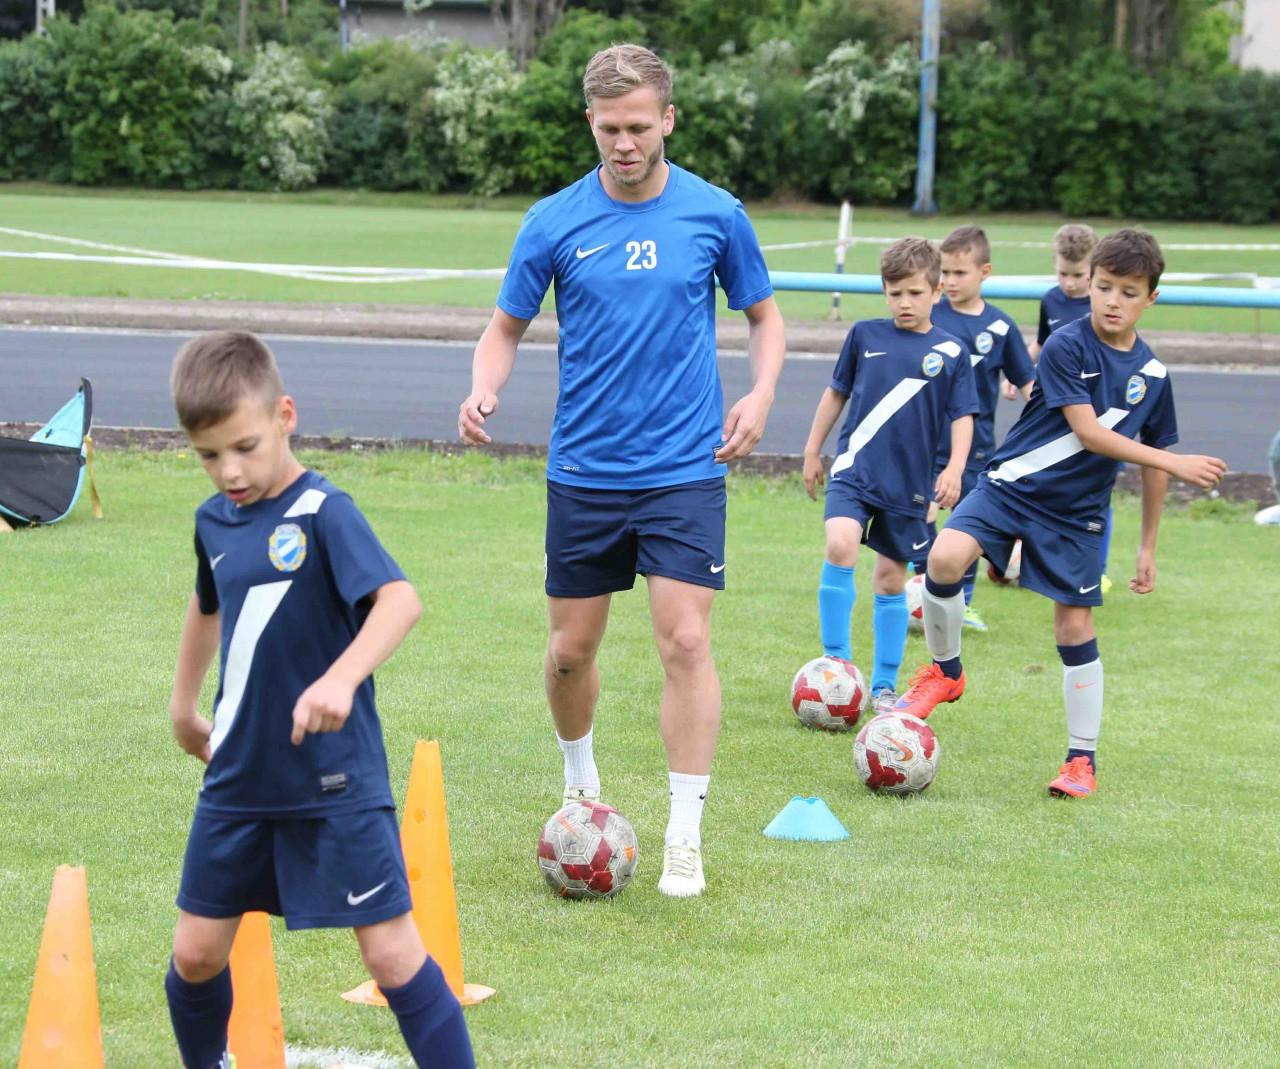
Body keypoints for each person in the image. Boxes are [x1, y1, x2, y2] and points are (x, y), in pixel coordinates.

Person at [457, 44, 785, 898]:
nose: (625, 143)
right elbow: (504, 328)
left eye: (639, 126)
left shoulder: (715, 214)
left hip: (684, 466)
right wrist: (484, 387)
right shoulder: (553, 221)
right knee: (570, 651)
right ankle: (582, 785)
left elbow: (765, 317)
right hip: (586, 470)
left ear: (668, 118)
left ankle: (685, 832)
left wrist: (760, 394)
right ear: (591, 124)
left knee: (686, 639)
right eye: (609, 129)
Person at [165, 332, 473, 1069]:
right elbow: (207, 604)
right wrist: (182, 705)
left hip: (335, 779)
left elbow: (399, 601)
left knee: (391, 954)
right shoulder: (213, 520)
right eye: (208, 455)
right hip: (239, 777)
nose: (229, 471)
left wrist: (340, 678)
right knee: (196, 952)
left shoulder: (325, 512)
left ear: (285, 416)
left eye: (244, 447)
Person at [895, 230, 1227, 797]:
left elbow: (1152, 465)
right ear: (1089, 285)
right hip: (1012, 486)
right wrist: (1176, 462)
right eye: (1104, 287)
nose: (1113, 301)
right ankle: (946, 672)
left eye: (1128, 292)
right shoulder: (1067, 345)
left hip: (1076, 515)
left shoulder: (1154, 376)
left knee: (1074, 627)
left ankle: (1081, 761)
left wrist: (1147, 545)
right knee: (945, 559)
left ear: (1151, 298)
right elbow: (1090, 433)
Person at [803, 237, 977, 714]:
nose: (905, 302)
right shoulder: (864, 335)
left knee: (889, 579)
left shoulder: (951, 351)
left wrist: (955, 468)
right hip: (854, 470)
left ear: (937, 292)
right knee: (840, 543)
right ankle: (836, 664)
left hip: (909, 486)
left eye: (915, 293)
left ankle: (882, 684)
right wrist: (813, 449)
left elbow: (963, 415)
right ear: (884, 291)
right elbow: (835, 394)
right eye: (895, 293)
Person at [923, 225, 1035, 633]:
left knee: (967, 527)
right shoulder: (929, 315)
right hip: (922, 444)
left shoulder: (1000, 327)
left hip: (976, 450)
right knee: (919, 521)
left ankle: (963, 604)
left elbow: (1028, 383)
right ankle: (920, 595)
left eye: (959, 273)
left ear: (984, 272)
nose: (950, 281)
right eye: (945, 272)